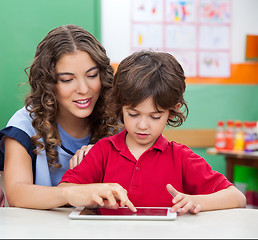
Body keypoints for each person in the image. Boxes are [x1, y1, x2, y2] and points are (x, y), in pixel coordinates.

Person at [59, 50, 246, 214]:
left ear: (172, 110)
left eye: (155, 117)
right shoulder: (103, 151)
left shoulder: (180, 158)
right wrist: (93, 193)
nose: (142, 125)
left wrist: (197, 201)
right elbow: (65, 190)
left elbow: (237, 197)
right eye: (133, 114)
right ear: (120, 107)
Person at [0, 24, 135, 211]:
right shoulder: (24, 125)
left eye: (92, 75)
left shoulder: (121, 121)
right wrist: (71, 193)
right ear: (48, 83)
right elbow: (16, 193)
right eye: (67, 80)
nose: (83, 89)